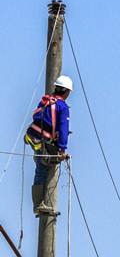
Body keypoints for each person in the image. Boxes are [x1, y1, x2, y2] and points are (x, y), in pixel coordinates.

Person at [25, 75, 72, 215]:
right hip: (45, 142)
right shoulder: (62, 107)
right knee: (42, 169)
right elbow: (63, 128)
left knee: (40, 166)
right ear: (67, 92)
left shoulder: (46, 100)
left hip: (34, 138)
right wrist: (62, 149)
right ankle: (39, 204)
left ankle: (39, 204)